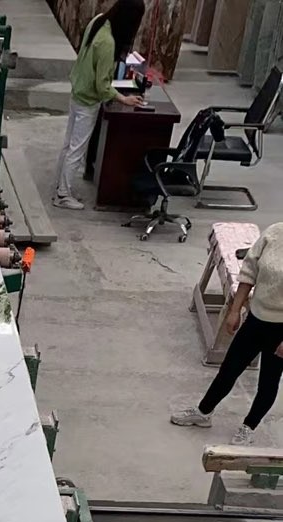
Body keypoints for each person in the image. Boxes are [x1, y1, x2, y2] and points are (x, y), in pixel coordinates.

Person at [172, 223, 283, 445]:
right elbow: (249, 272)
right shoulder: (274, 233)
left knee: (268, 382)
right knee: (229, 369)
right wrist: (235, 310)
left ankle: (249, 426)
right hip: (256, 319)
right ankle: (204, 412)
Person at [53, 0, 146, 211]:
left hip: (78, 90)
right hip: (88, 101)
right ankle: (63, 195)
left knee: (68, 144)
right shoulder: (108, 43)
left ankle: (61, 187)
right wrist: (124, 99)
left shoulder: (99, 21)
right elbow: (102, 86)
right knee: (77, 149)